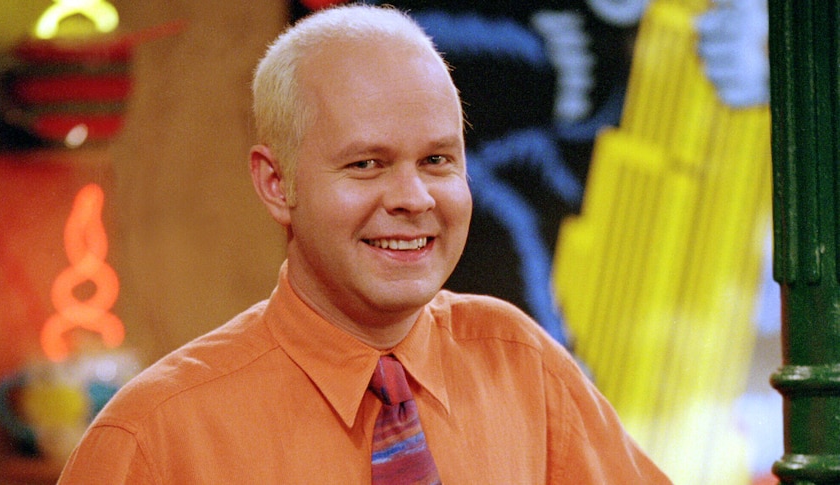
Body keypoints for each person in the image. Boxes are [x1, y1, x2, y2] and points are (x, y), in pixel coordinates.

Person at [58, 4, 671, 483]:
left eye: (437, 159)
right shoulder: (152, 438)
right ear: (277, 184)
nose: (413, 197)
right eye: (366, 165)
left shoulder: (521, 364)